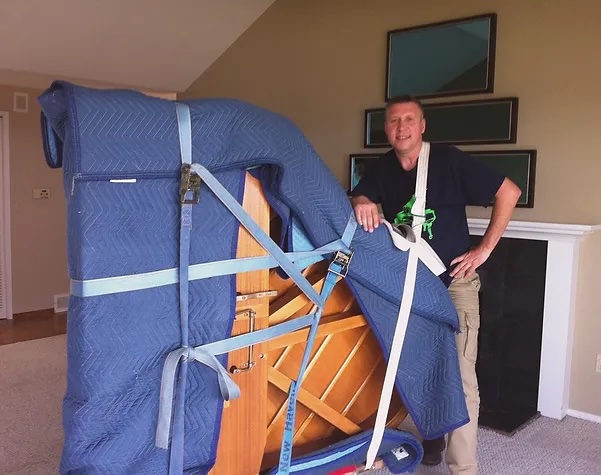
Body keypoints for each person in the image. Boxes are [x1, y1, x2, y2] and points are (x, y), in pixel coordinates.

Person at [349, 95, 521, 474]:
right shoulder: (382, 170)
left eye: (409, 119)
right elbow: (359, 193)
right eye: (394, 121)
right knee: (416, 365)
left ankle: (463, 469)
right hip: (407, 286)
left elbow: (508, 191)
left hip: (452, 283)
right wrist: (363, 199)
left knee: (460, 378)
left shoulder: (447, 161)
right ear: (387, 129)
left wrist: (484, 249)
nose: (402, 127)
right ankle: (430, 442)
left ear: (422, 125)